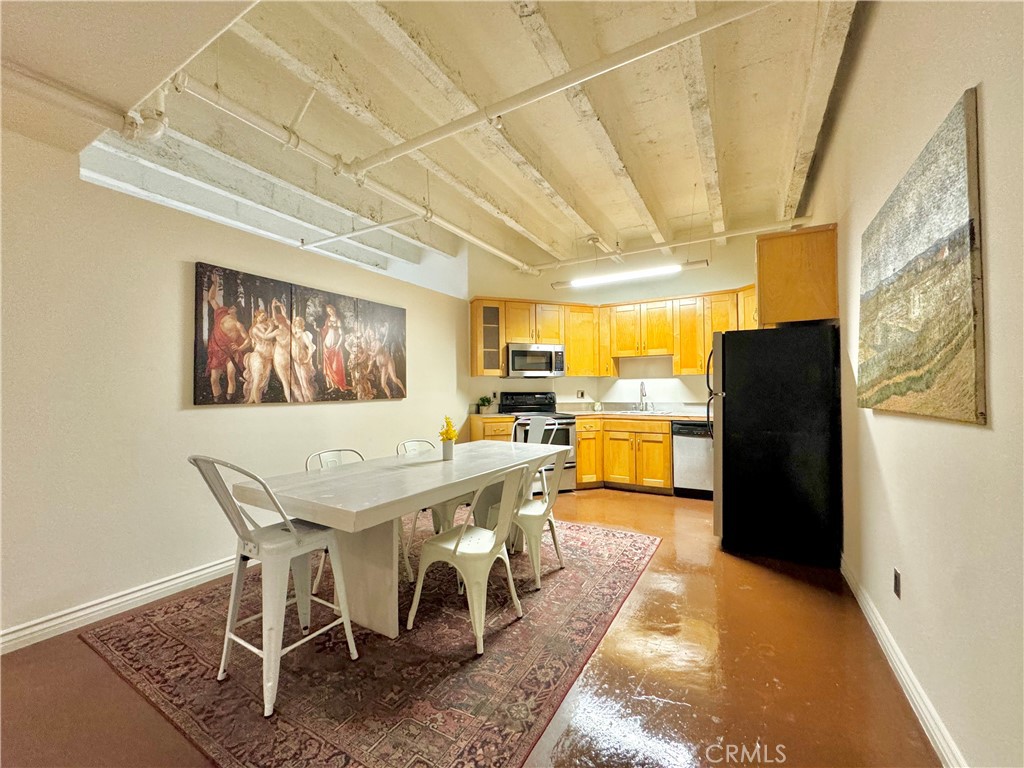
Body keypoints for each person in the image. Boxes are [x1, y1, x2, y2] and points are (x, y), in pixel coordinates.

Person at [204, 273, 248, 403]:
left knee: (230, 376)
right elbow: (211, 299)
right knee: (214, 379)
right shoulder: (220, 313)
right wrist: (215, 283)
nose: (231, 307)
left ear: (236, 311)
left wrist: (239, 347)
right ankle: (217, 400)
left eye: (234, 307)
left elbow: (248, 339)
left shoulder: (238, 324)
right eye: (231, 307)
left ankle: (230, 400)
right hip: (217, 350)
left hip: (230, 353)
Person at [242, 309, 275, 404]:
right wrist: (271, 326)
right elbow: (265, 337)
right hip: (259, 355)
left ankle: (254, 399)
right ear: (257, 317)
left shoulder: (267, 325)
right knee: (257, 379)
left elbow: (273, 319)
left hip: (269, 355)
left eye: (265, 316)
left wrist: (272, 307)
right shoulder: (255, 328)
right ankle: (257, 402)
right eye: (262, 316)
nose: (263, 317)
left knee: (264, 378)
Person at [370, 321, 407, 398]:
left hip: (388, 361)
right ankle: (389, 396)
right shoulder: (372, 344)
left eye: (373, 335)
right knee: (383, 384)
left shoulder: (378, 343)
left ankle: (404, 390)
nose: (372, 336)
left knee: (394, 378)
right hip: (383, 365)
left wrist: (367, 352)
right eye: (371, 335)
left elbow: (375, 354)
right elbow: (374, 357)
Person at [320, 304, 349, 393]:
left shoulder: (338, 320)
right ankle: (332, 385)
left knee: (335, 367)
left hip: (334, 347)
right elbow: (325, 330)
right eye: (328, 311)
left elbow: (341, 335)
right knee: (328, 366)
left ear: (334, 309)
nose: (330, 312)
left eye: (331, 310)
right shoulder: (328, 320)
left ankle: (337, 384)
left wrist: (337, 345)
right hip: (326, 346)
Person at [269, 299, 292, 402]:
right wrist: (281, 307)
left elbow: (265, 337)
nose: (273, 321)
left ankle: (289, 401)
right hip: (288, 357)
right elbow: (285, 317)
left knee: (285, 382)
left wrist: (273, 307)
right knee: (293, 382)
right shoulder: (289, 328)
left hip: (280, 357)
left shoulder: (277, 331)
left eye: (275, 320)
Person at [291, 316, 317, 403]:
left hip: (303, 360)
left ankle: (310, 400)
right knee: (301, 383)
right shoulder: (293, 335)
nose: (297, 323)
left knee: (305, 383)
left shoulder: (303, 334)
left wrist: (307, 359)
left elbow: (310, 347)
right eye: (296, 321)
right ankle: (305, 402)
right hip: (296, 360)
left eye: (299, 321)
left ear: (301, 324)